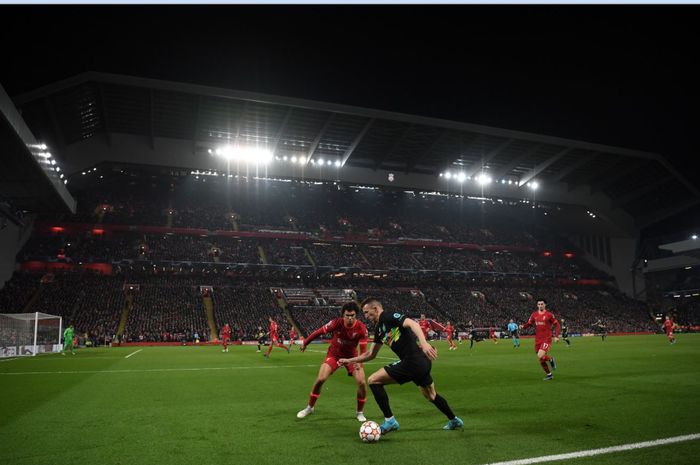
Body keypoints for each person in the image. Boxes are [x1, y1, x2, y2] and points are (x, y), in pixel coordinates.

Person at [339, 298, 464, 433]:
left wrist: (424, 343)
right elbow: (370, 354)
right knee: (431, 396)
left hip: (413, 361)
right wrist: (350, 360)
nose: (366, 316)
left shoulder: (389, 316)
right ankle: (454, 420)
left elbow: (413, 324)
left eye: (367, 313)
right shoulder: (379, 330)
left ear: (375, 309)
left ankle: (390, 421)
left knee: (373, 380)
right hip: (420, 363)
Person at [297, 302, 369, 421]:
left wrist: (358, 363)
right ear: (343, 315)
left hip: (351, 357)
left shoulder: (361, 328)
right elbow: (318, 332)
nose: (350, 318)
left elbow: (363, 350)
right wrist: (305, 342)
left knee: (361, 383)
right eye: (347, 315)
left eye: (353, 316)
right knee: (320, 379)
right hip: (334, 355)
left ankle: (359, 412)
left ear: (356, 316)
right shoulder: (336, 323)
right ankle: (310, 407)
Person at [520, 299, 560, 381]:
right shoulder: (534, 314)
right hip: (538, 339)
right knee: (541, 359)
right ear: (537, 305)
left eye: (542, 304)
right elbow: (529, 324)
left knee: (540, 355)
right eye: (539, 304)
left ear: (545, 305)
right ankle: (549, 375)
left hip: (547, 338)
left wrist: (556, 336)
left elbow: (557, 325)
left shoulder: (549, 315)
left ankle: (551, 359)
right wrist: (523, 326)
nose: (540, 305)